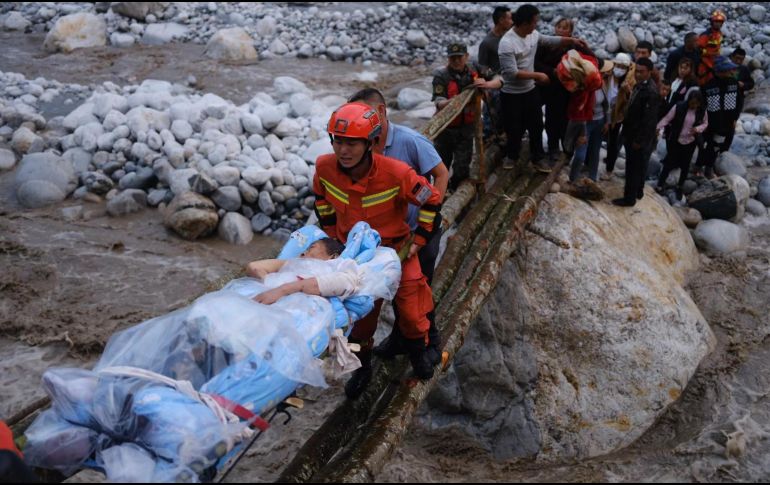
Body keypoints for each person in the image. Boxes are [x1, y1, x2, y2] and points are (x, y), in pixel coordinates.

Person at [313, 102, 442, 398]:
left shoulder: (396, 173)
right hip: (355, 257)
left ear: (370, 143)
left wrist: (418, 242)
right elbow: (321, 199)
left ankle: (420, 350)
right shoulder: (324, 167)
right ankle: (363, 366)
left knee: (412, 307)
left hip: (396, 251)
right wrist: (333, 237)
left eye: (351, 143)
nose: (343, 150)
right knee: (360, 320)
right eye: (338, 141)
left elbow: (431, 200)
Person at [347, 87, 448, 366]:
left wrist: (429, 217)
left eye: (363, 114)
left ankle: (430, 344)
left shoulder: (410, 141)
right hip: (383, 239)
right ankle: (395, 341)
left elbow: (441, 174)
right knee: (382, 293)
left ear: (380, 113)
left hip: (418, 232)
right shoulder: (359, 144)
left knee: (418, 289)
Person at [497, 4, 587, 172]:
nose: (536, 25)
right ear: (524, 23)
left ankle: (538, 158)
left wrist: (572, 40)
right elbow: (510, 73)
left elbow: (548, 39)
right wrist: (538, 75)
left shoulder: (532, 35)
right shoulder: (507, 43)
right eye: (534, 22)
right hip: (512, 93)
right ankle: (512, 156)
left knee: (536, 125)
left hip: (530, 90)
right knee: (514, 127)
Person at [245, 238, 355, 304]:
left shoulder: (339, 274)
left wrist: (281, 290)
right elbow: (254, 267)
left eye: (311, 248)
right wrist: (272, 285)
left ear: (333, 257)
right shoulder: (291, 264)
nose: (302, 253)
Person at [432, 43, 480, 191]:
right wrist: (454, 102)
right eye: (453, 58)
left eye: (459, 57)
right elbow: (438, 101)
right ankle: (440, 195)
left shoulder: (474, 70)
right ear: (448, 59)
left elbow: (495, 77)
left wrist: (485, 83)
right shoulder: (441, 76)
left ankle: (456, 190)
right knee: (441, 167)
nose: (456, 61)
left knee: (462, 167)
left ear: (466, 56)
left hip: (466, 129)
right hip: (445, 129)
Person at [612, 58, 660, 207]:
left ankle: (629, 198)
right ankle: (638, 191)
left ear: (649, 72)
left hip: (637, 135)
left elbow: (649, 120)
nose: (638, 74)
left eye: (642, 72)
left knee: (633, 167)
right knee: (637, 166)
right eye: (637, 71)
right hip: (631, 132)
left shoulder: (650, 92)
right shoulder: (641, 86)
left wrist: (639, 140)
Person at [562, 53, 610, 184]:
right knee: (580, 154)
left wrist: (607, 121)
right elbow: (580, 113)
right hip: (586, 123)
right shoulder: (583, 88)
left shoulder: (602, 84)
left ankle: (592, 178)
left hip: (599, 121)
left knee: (595, 151)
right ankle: (573, 178)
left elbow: (607, 105)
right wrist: (582, 133)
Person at [695, 56, 743, 179]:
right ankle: (701, 167)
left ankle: (711, 167)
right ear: (719, 71)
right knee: (707, 145)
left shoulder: (734, 84)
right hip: (711, 123)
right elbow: (702, 106)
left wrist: (735, 118)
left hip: (728, 124)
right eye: (727, 70)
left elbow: (739, 102)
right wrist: (702, 122)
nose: (730, 72)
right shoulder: (708, 86)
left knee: (720, 146)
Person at [656, 88, 708, 201]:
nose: (693, 105)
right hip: (676, 139)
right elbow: (667, 118)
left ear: (699, 103)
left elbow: (705, 124)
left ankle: (679, 187)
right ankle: (660, 184)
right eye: (692, 103)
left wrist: (697, 129)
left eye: (696, 103)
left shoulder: (702, 111)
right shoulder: (679, 106)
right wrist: (657, 127)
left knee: (685, 166)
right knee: (669, 163)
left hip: (690, 142)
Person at [535, 17, 575, 162]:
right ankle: (552, 148)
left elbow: (588, 59)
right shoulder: (546, 44)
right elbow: (535, 63)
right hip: (546, 85)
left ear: (570, 32)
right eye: (559, 27)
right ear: (555, 28)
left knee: (564, 119)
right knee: (550, 119)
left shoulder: (573, 47)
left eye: (565, 28)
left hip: (564, 89)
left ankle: (566, 149)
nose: (561, 30)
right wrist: (552, 71)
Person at [478, 6, 512, 139]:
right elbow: (483, 68)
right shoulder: (487, 43)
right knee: (492, 112)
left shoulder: (510, 36)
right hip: (496, 83)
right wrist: (492, 78)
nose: (512, 21)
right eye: (509, 18)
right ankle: (489, 136)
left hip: (512, 79)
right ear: (501, 20)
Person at [602, 52, 633, 180]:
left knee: (612, 143)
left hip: (616, 116)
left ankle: (609, 169)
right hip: (602, 111)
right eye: (618, 65)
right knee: (596, 136)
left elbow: (629, 103)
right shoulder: (607, 76)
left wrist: (627, 93)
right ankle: (588, 162)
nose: (619, 69)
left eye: (623, 67)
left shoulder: (628, 83)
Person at [697, 10, 726, 86]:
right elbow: (698, 50)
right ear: (712, 22)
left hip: (715, 62)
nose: (718, 24)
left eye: (720, 22)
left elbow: (718, 47)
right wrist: (710, 53)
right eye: (716, 21)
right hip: (704, 64)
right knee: (703, 83)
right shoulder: (705, 35)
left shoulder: (719, 34)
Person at [729, 48, 755, 112]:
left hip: (738, 98)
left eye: (741, 59)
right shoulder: (724, 68)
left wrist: (743, 85)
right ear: (732, 57)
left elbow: (751, 83)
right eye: (737, 58)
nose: (738, 61)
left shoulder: (744, 69)